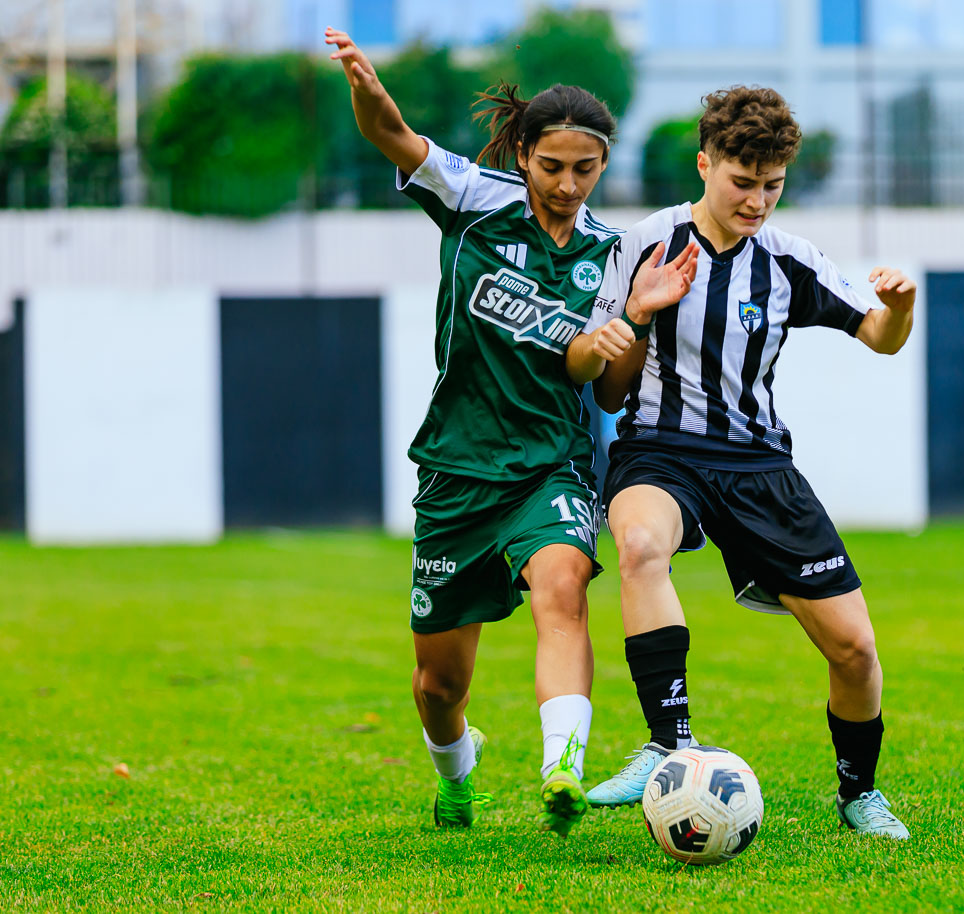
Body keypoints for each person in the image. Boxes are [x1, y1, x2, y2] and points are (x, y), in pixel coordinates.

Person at [565, 86, 916, 839]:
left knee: (855, 649)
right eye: (743, 182)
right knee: (640, 545)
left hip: (759, 464)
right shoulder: (644, 244)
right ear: (705, 164)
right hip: (659, 451)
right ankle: (668, 744)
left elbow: (880, 338)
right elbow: (609, 389)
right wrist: (639, 314)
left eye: (772, 185)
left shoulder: (790, 260)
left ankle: (859, 794)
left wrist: (902, 308)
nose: (757, 201)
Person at [325, 27, 642, 839]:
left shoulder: (612, 255)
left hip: (551, 465)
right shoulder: (474, 199)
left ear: (603, 164)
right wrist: (367, 85)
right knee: (438, 685)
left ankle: (562, 768)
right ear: (524, 153)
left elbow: (599, 380)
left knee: (563, 589)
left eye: (585, 168)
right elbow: (393, 135)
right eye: (552, 165)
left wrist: (622, 337)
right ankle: (456, 769)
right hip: (457, 470)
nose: (567, 184)